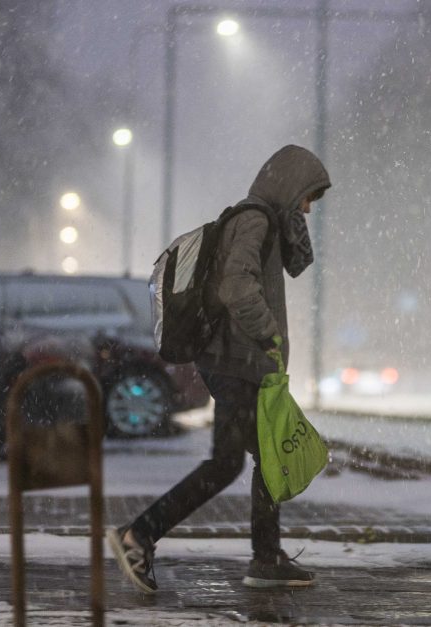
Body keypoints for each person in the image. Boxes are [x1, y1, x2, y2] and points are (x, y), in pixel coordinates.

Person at [107, 145, 331, 593]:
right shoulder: (254, 219)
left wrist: (294, 218)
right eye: (305, 196)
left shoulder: (266, 219)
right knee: (246, 460)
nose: (307, 207)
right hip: (236, 361)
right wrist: (269, 334)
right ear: (288, 187)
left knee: (253, 460)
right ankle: (141, 535)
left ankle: (263, 558)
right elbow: (236, 285)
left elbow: (298, 262)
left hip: (240, 363)